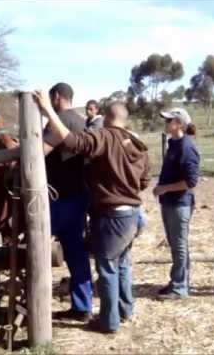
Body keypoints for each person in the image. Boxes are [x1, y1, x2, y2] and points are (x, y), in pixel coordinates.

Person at [36, 91, 151, 334]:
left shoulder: (105, 138)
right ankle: (125, 310)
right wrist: (126, 187)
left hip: (111, 215)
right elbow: (144, 181)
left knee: (107, 267)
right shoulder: (138, 145)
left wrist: (47, 110)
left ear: (107, 118)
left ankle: (108, 323)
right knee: (122, 264)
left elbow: (74, 142)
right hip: (133, 213)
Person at [43, 83, 93, 322]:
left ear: (56, 97)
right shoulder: (82, 120)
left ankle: (35, 303)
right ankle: (82, 306)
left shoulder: (59, 120)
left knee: (35, 247)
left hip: (59, 198)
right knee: (76, 252)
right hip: (79, 194)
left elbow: (39, 149)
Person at [153, 108, 200, 300]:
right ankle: (178, 280)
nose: (166, 123)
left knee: (179, 245)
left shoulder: (186, 147)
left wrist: (164, 188)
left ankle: (180, 287)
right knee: (175, 244)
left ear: (180, 124)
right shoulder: (174, 144)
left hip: (180, 203)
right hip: (171, 202)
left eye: (169, 120)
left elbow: (190, 182)